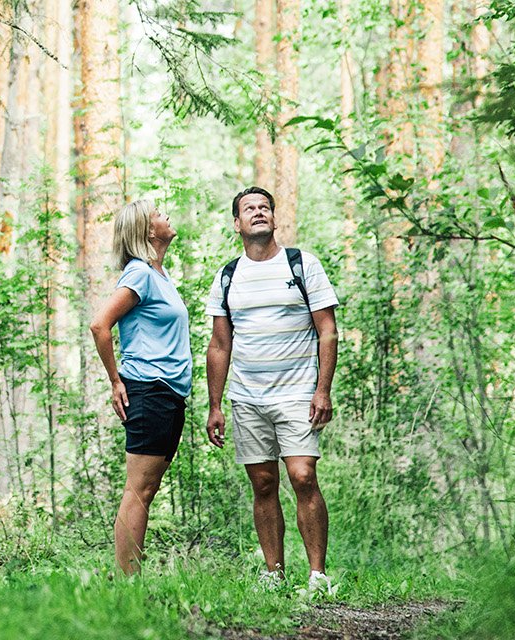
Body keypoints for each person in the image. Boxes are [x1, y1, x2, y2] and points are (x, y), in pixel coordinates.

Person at [203, 186, 341, 596]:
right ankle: (274, 573)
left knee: (302, 475)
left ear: (274, 218)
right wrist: (215, 405)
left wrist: (323, 390)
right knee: (263, 483)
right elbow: (219, 345)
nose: (259, 212)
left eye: (265, 207)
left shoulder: (302, 265)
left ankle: (317, 576)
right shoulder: (228, 276)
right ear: (237, 224)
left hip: (297, 393)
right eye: (249, 208)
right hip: (248, 397)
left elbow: (328, 331)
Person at [89, 200, 191, 576]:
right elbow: (100, 325)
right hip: (148, 389)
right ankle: (127, 582)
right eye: (159, 214)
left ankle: (130, 577)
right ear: (148, 231)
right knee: (139, 490)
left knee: (147, 489)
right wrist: (115, 381)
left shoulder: (159, 275)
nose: (167, 216)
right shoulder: (139, 273)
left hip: (168, 393)